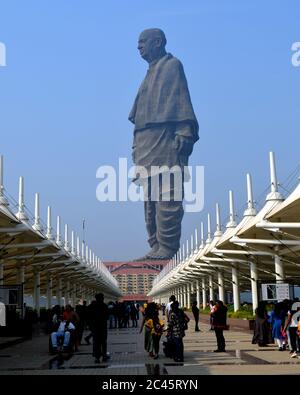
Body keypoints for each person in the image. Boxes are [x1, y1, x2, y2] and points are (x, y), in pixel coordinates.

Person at [129, 28, 199, 260]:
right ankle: (156, 244)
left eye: (142, 42)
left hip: (166, 141)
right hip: (146, 143)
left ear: (157, 42)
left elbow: (181, 101)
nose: (138, 46)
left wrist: (184, 130)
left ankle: (168, 247)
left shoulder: (172, 66)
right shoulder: (150, 72)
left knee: (168, 194)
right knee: (150, 201)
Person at [88, 293, 109, 363]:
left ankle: (97, 357)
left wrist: (90, 326)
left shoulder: (92, 306)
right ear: (100, 298)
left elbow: (89, 317)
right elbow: (107, 316)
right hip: (102, 328)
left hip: (95, 328)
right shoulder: (104, 306)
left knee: (96, 343)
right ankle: (104, 356)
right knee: (103, 343)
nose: (103, 298)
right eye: (102, 297)